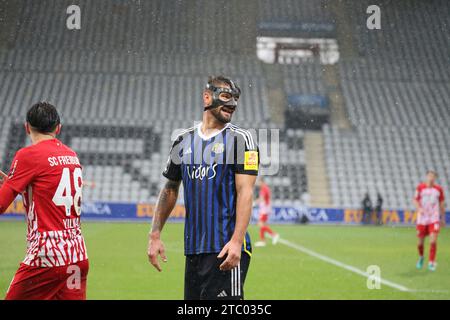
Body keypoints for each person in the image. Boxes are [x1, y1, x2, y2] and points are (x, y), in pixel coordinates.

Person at [147, 76, 258, 300]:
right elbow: (170, 189)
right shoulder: (182, 140)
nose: (232, 104)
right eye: (226, 97)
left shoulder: (242, 140)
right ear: (207, 97)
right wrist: (154, 234)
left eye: (235, 99)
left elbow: (245, 192)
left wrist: (237, 241)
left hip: (225, 249)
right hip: (194, 252)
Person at [0, 102, 89, 299]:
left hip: (46, 257)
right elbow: (50, 194)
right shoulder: (71, 155)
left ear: (27, 127)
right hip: (77, 255)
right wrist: (24, 190)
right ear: (58, 128)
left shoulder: (28, 155)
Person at [413, 170, 445, 271]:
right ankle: (421, 257)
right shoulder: (420, 187)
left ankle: (431, 262)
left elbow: (442, 204)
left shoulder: (439, 189)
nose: (431, 178)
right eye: (430, 176)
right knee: (420, 243)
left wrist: (442, 218)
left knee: (433, 240)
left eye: (433, 176)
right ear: (426, 176)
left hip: (433, 218)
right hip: (422, 218)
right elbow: (415, 200)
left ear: (435, 178)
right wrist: (419, 209)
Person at [254, 177, 279, 247]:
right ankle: (263, 241)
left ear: (262, 182)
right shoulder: (266, 188)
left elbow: (262, 199)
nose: (258, 184)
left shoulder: (264, 189)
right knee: (263, 225)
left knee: (261, 224)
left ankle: (273, 235)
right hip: (265, 208)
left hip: (264, 209)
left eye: (259, 182)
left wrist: (254, 203)